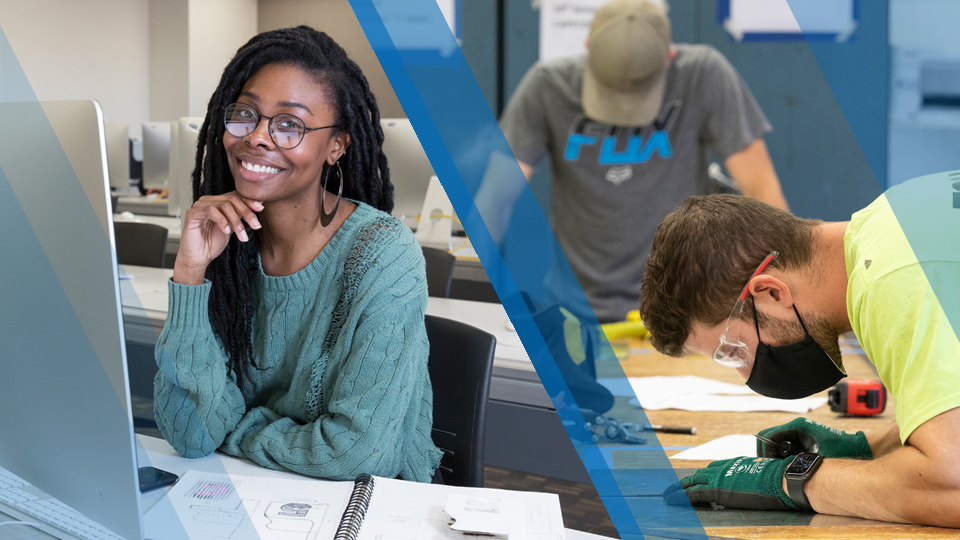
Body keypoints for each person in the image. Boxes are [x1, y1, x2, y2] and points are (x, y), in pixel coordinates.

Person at [153, 26, 443, 483]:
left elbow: (355, 455)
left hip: (371, 508)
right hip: (251, 490)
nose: (258, 137)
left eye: (290, 124)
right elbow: (190, 435)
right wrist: (190, 273)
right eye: (246, 114)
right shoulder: (226, 250)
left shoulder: (383, 254)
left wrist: (232, 427)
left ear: (336, 146)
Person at [639, 172, 960, 526]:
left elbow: (951, 483)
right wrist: (867, 450)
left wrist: (793, 481)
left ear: (771, 293)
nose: (747, 375)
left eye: (734, 351)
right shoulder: (899, 219)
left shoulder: (893, 277)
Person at [499, 0, 789, 323]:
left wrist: (787, 301)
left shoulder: (702, 75)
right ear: (587, 49)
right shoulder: (547, 86)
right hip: (575, 313)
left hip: (681, 311)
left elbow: (762, 191)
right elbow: (494, 199)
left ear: (670, 56)